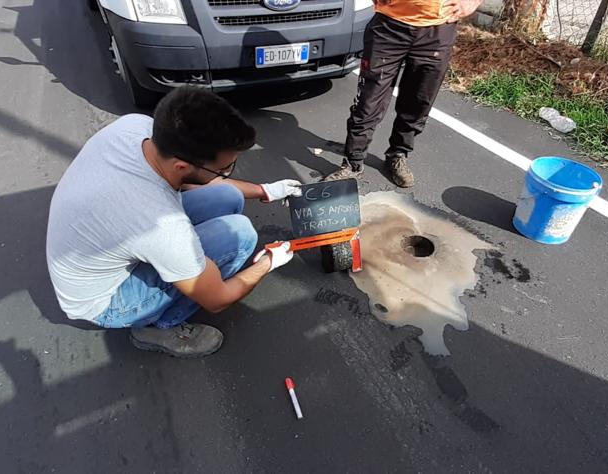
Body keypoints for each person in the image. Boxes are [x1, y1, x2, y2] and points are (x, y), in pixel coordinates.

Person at [46, 87, 301, 358]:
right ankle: (160, 326)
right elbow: (218, 299)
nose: (227, 172)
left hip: (108, 241)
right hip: (104, 300)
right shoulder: (159, 223)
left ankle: (175, 266)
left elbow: (198, 177)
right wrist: (267, 263)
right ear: (181, 166)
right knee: (240, 236)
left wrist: (265, 190)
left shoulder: (138, 128)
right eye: (224, 169)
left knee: (227, 196)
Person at [324, 0, 483, 187]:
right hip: (388, 26)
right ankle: (353, 163)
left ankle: (398, 154)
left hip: (437, 30)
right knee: (368, 102)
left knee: (418, 102)